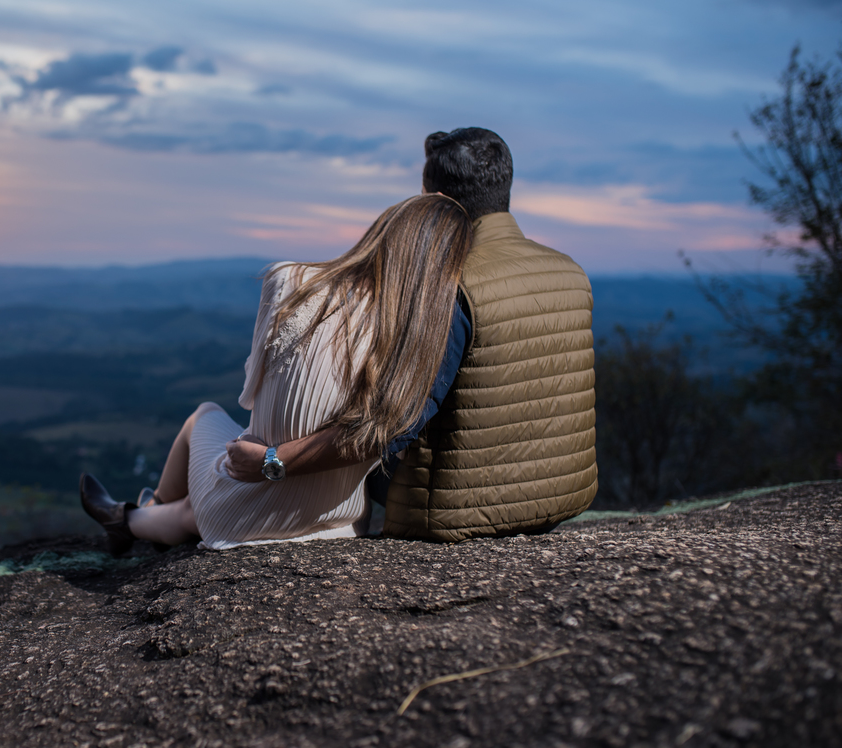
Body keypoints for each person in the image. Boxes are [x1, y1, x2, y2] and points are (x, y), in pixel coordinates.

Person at [225, 128, 598, 542]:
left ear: (433, 201)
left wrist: (273, 460)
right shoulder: (571, 271)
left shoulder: (448, 287)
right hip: (562, 496)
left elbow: (389, 424)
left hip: (453, 512)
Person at [79, 193, 473, 553]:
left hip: (250, 496)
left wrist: (272, 460)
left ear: (383, 234)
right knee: (196, 508)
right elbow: (378, 438)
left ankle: (137, 515)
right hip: (337, 522)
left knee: (204, 414)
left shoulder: (290, 279)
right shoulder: (421, 348)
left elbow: (253, 392)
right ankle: (130, 517)